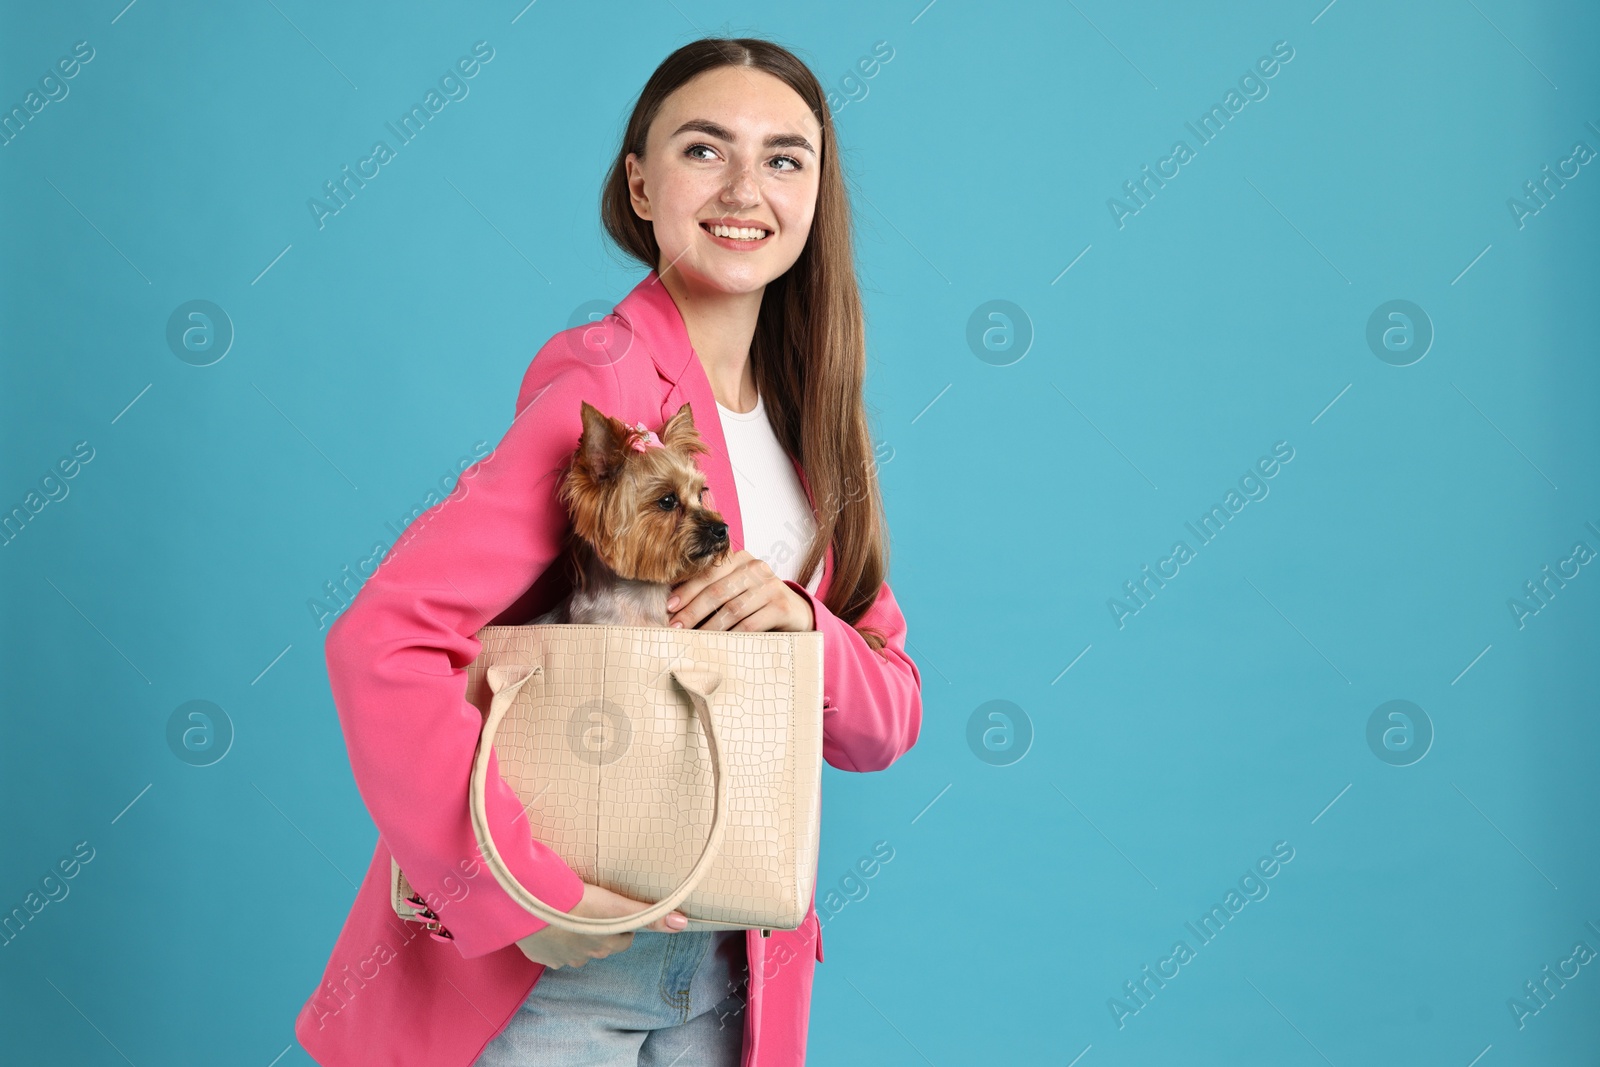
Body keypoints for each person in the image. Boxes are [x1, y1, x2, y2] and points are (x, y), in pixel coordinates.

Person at [295, 36, 921, 1067]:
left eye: (783, 158)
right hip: (558, 975)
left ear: (817, 191)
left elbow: (885, 716)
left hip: (737, 970)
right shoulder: (609, 381)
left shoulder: (815, 426)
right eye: (702, 149)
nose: (744, 188)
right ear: (639, 182)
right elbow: (383, 640)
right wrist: (516, 891)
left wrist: (802, 622)